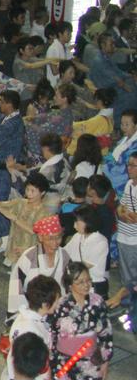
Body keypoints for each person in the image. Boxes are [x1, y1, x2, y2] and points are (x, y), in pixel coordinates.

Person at [50, 262, 113, 380]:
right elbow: (53, 337)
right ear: (70, 285)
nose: (86, 285)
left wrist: (105, 362)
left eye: (88, 280)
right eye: (80, 282)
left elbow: (106, 334)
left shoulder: (97, 302)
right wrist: (52, 367)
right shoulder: (61, 305)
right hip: (65, 365)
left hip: (90, 364)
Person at [8, 215, 71, 323]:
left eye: (58, 237)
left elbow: (69, 284)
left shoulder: (64, 255)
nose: (55, 243)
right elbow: (16, 283)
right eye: (50, 238)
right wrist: (17, 314)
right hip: (31, 309)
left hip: (56, 308)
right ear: (40, 237)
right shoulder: (30, 256)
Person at [0, 91, 25, 246]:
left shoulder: (14, 122)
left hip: (4, 169)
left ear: (9, 103)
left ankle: (3, 237)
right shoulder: (4, 118)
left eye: (1, 101)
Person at [0, 172, 52, 267]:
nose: (29, 193)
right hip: (15, 247)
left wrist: (14, 218)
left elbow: (34, 230)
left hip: (30, 250)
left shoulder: (45, 212)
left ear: (42, 192)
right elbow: (0, 205)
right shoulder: (20, 203)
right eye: (27, 189)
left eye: (33, 191)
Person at [4, 274, 61, 380]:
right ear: (45, 304)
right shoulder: (29, 328)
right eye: (57, 300)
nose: (58, 304)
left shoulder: (27, 318)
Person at [109, 151, 137, 309]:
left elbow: (133, 216)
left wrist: (125, 215)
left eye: (133, 166)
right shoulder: (129, 184)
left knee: (133, 278)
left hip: (134, 240)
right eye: (129, 165)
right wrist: (122, 213)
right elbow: (121, 207)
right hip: (123, 237)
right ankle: (128, 304)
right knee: (125, 276)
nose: (129, 169)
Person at [65, 205, 110, 299]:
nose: (74, 226)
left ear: (87, 222)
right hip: (77, 282)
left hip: (93, 285)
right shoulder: (77, 236)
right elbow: (64, 252)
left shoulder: (100, 241)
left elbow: (84, 266)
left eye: (77, 222)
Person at [104, 109, 137, 194]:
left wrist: (107, 164)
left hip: (123, 180)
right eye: (122, 124)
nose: (123, 127)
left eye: (127, 124)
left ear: (136, 126)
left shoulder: (135, 146)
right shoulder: (125, 139)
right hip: (111, 169)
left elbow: (125, 168)